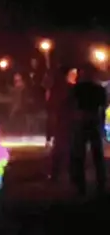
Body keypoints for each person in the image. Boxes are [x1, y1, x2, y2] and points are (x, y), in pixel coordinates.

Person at [69, 64, 107, 197]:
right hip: (93, 121)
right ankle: (100, 184)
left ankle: (81, 186)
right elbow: (103, 107)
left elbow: (71, 105)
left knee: (80, 154)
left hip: (81, 122)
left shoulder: (77, 89)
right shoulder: (99, 89)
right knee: (97, 155)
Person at [46, 67, 76, 181]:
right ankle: (57, 173)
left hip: (69, 122)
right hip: (63, 122)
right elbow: (53, 107)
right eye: (72, 74)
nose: (75, 76)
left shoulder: (72, 89)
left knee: (68, 148)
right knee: (60, 148)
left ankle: (65, 173)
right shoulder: (64, 90)